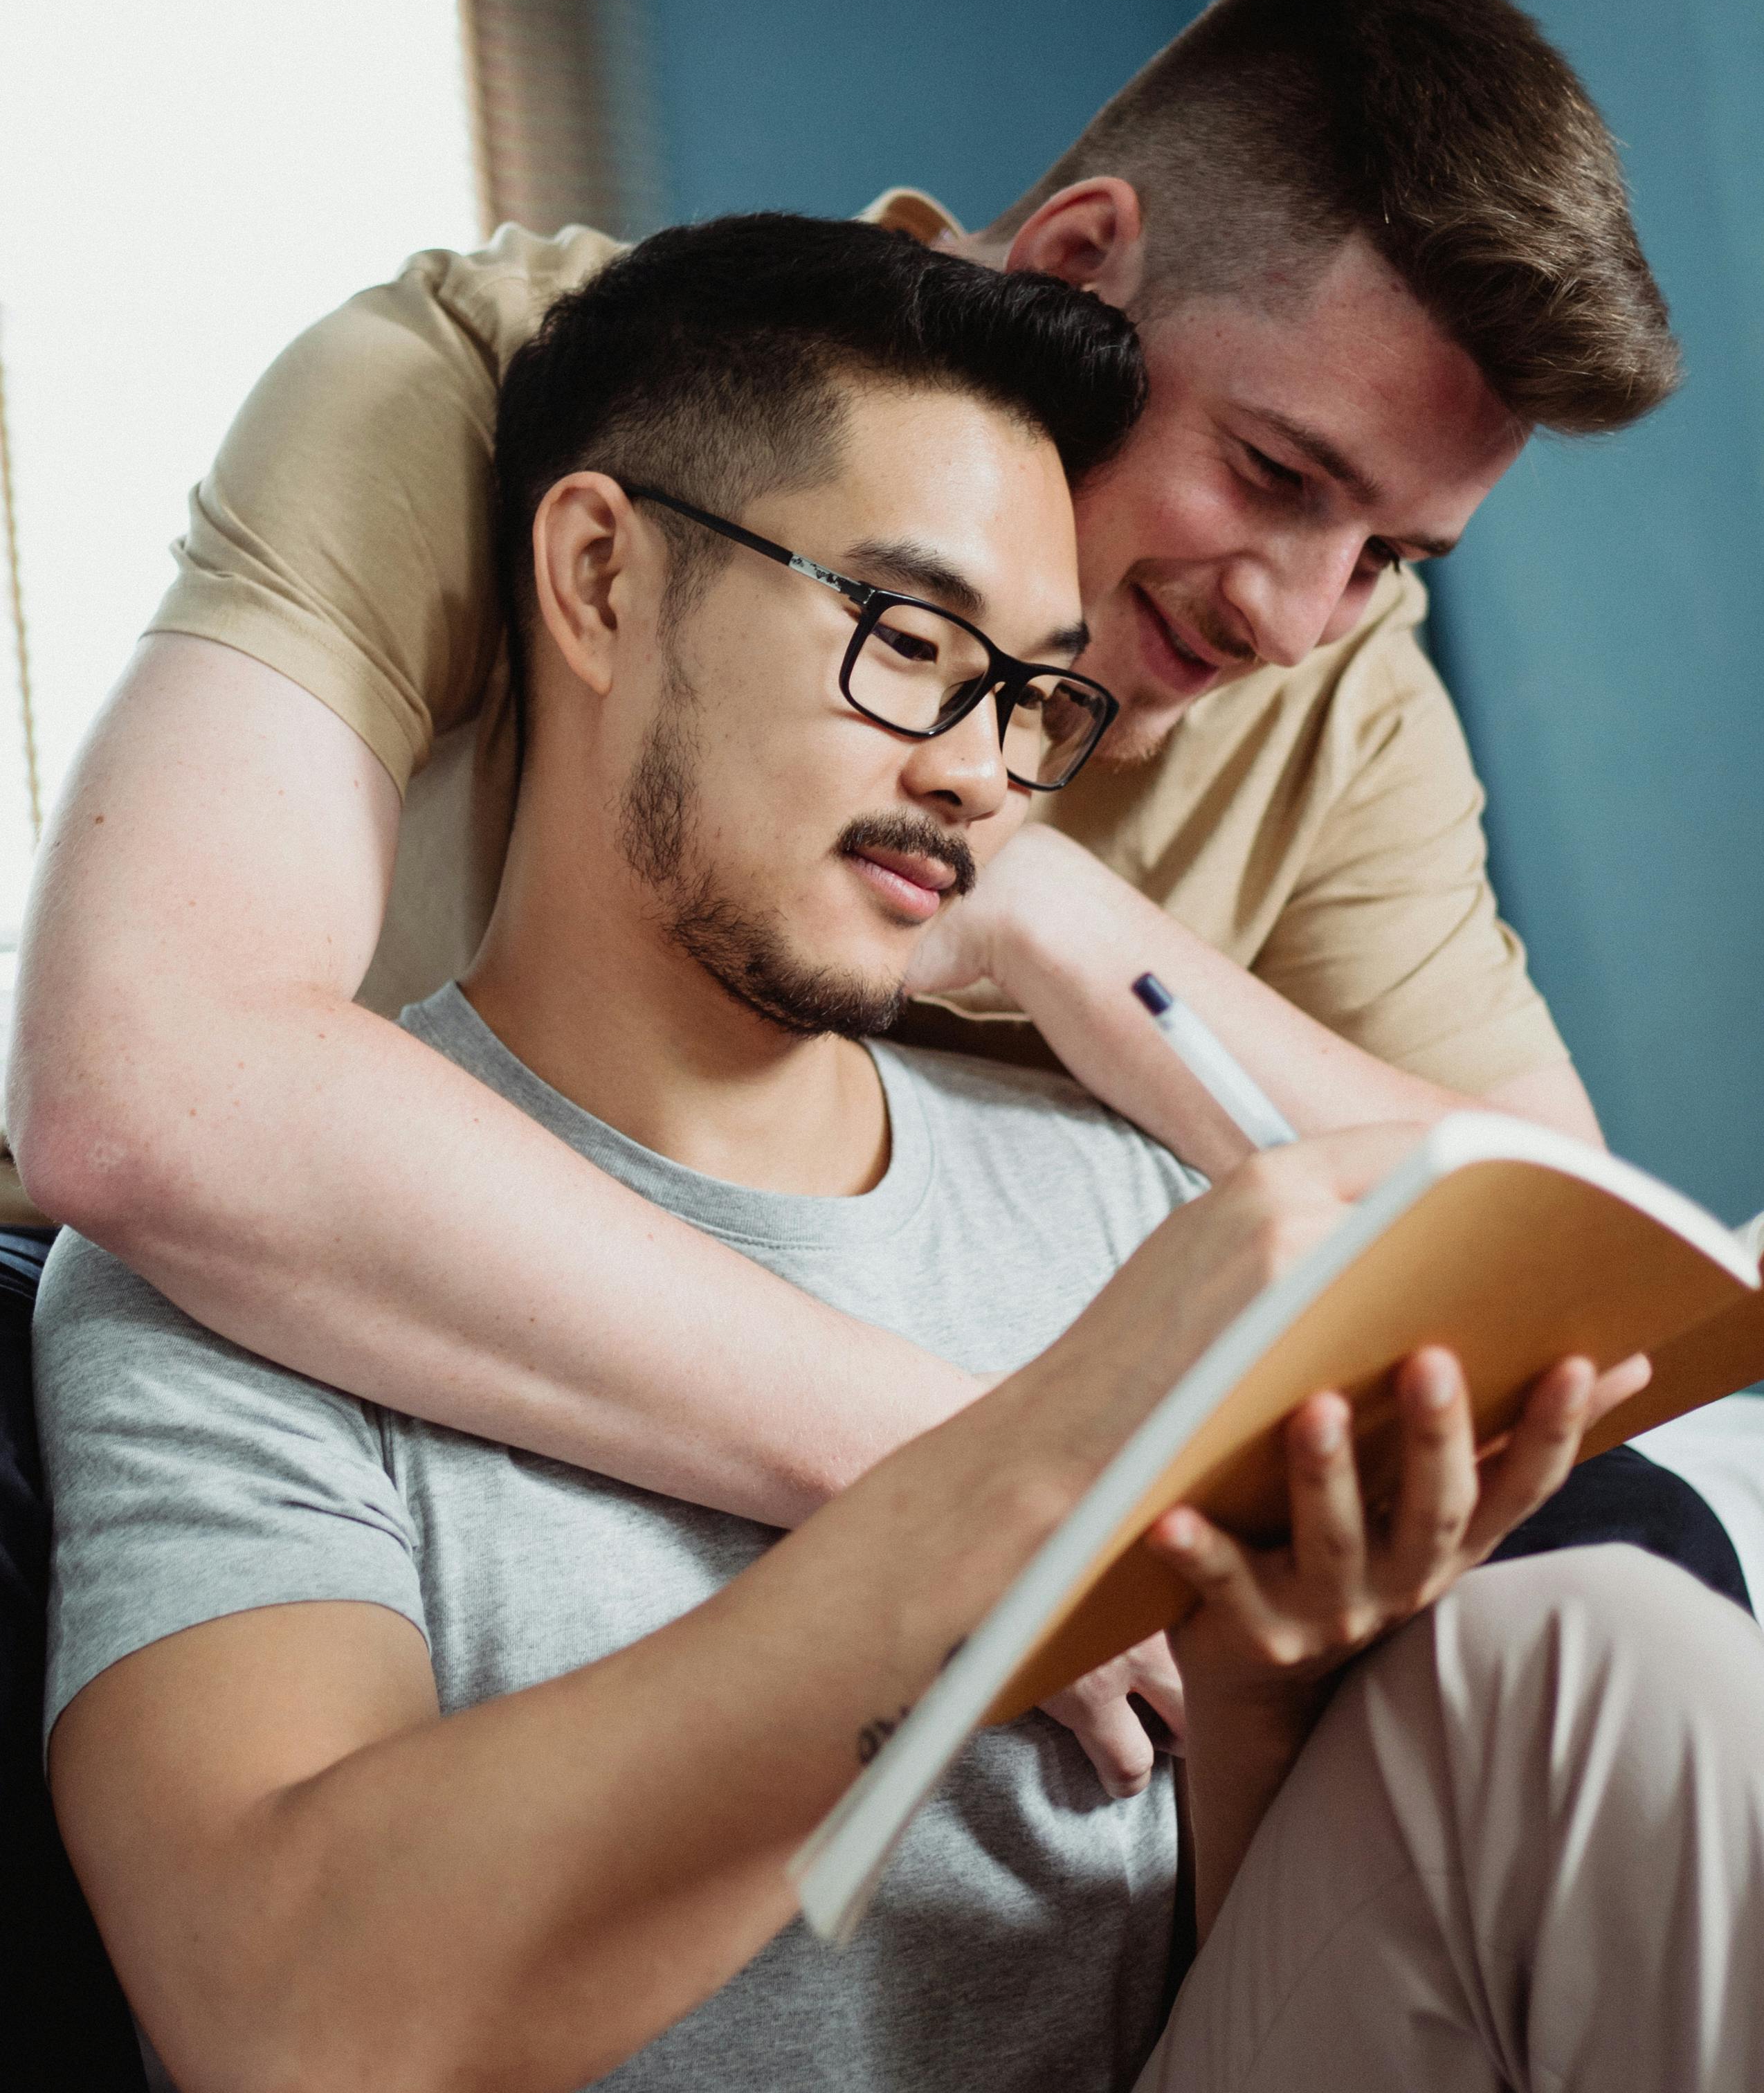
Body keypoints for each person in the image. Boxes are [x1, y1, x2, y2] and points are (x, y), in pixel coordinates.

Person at [34, 216, 1763, 2093]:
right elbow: (283, 2018)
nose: (979, 776)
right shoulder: (229, 1276)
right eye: (908, 637)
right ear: (601, 577)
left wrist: (1265, 1692)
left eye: (1029, 697)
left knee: (1594, 1653)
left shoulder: (1114, 1199)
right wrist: (1026, 1461)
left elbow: (1198, 1981)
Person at [10, 0, 1682, 1568]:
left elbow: (1564, 1279)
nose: (1301, 617)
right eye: (1272, 473)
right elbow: (144, 1079)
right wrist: (977, 1489)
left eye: (1394, 553)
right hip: (345, 1413)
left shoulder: (1331, 678)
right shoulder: (499, 393)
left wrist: (1061, 921)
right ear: (1081, 257)